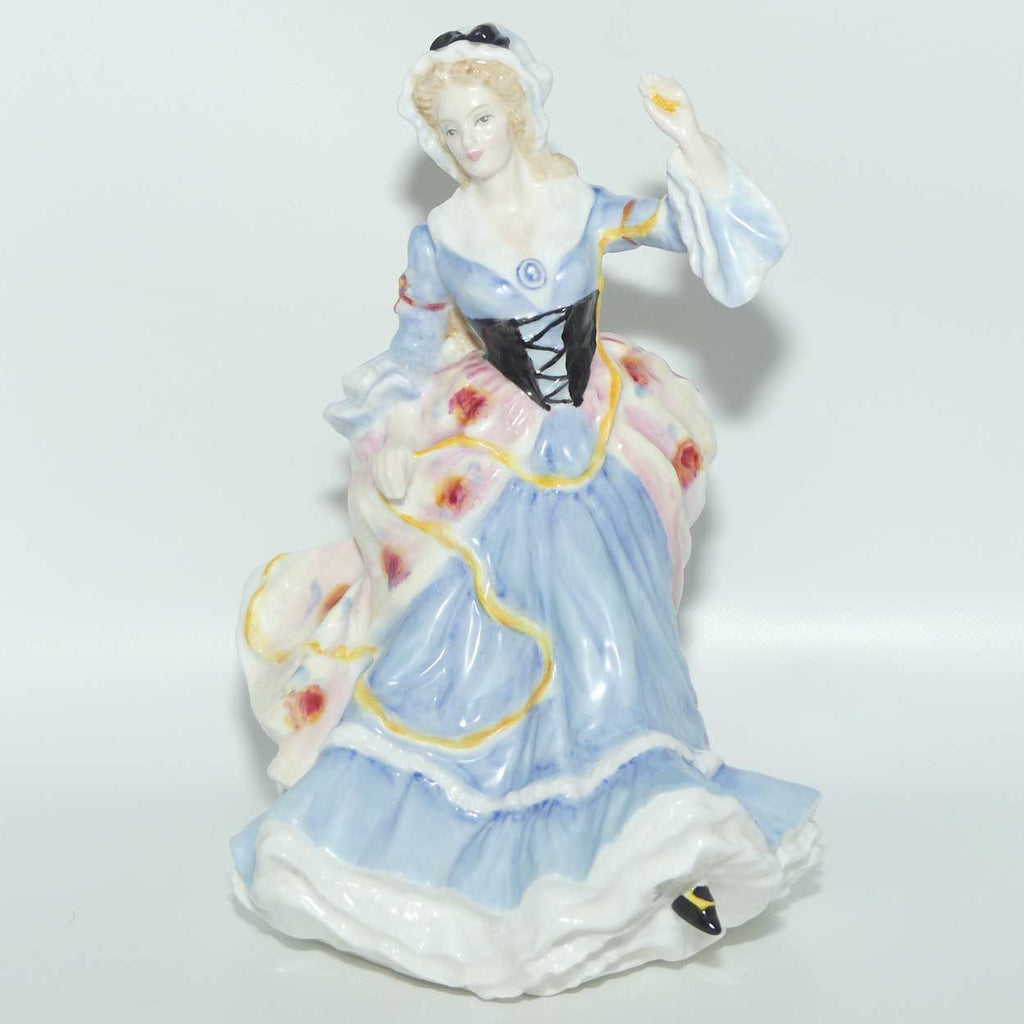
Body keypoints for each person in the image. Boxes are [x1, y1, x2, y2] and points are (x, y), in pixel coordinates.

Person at [231, 23, 821, 999]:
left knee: (615, 632)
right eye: (451, 129)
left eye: (482, 119)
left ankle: (665, 841)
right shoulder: (438, 239)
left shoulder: (577, 204)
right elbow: (412, 347)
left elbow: (679, 229)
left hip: (598, 433)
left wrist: (691, 143)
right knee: (478, 638)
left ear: (515, 114)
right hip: (498, 444)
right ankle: (495, 857)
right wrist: (395, 429)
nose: (470, 141)